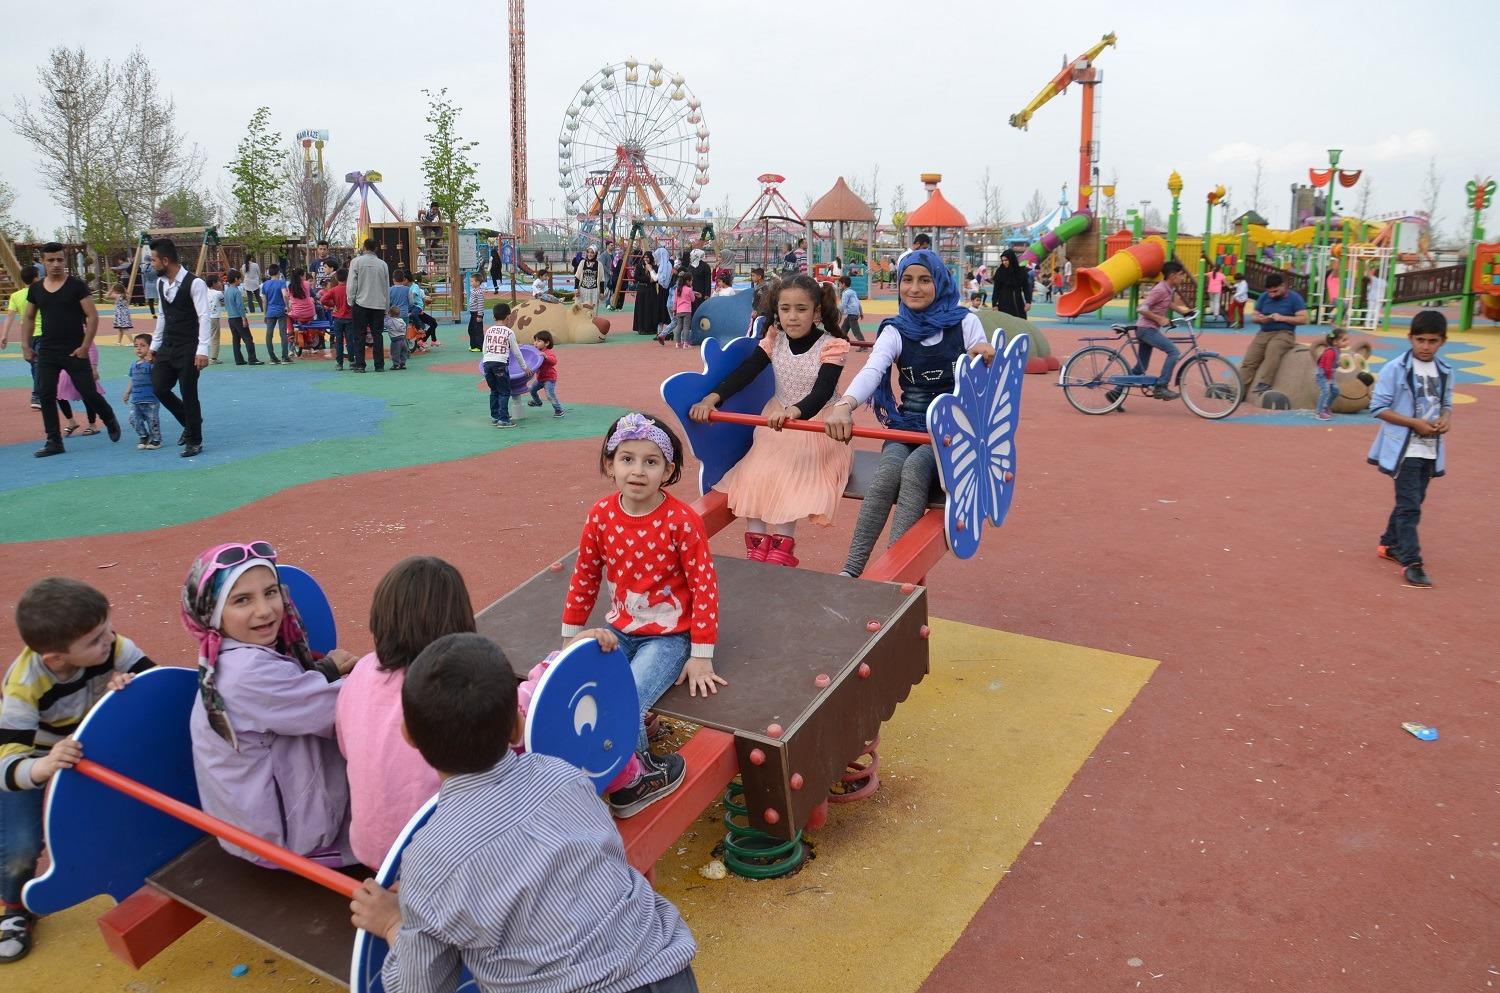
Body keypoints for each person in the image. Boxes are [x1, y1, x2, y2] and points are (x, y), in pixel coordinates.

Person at [347, 633, 699, 993]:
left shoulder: (430, 857)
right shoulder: (564, 775)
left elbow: (419, 986)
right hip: (665, 969)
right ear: (517, 726)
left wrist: (393, 924)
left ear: (408, 735)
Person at [562, 412, 719, 817]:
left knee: (627, 694)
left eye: (651, 462)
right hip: (618, 628)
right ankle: (603, 757)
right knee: (579, 684)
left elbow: (703, 586)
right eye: (627, 459)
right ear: (609, 464)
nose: (637, 471)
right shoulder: (601, 514)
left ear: (668, 471)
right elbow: (585, 574)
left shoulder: (681, 521)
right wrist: (571, 636)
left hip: (668, 636)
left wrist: (701, 654)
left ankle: (638, 779)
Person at [1, 577, 155, 963]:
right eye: (95, 639)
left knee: (121, 800)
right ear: (57, 659)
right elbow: (6, 767)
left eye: (107, 628)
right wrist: (43, 766)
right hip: (32, 754)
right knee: (21, 845)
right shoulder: (24, 686)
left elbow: (156, 685)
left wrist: (131, 685)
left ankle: (140, 860)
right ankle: (14, 908)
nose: (110, 640)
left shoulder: (113, 647)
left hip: (83, 741)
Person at [182, 541, 360, 867]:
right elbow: (345, 711)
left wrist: (326, 672)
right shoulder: (246, 672)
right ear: (213, 613)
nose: (264, 610)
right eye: (242, 600)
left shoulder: (228, 657)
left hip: (249, 823)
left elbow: (289, 695)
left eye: (271, 592)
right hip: (279, 840)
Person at [825, 249, 995, 578]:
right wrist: (845, 404)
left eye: (924, 280)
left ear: (940, 283)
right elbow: (873, 369)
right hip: (908, 424)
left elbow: (983, 383)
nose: (914, 288)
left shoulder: (965, 323)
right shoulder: (896, 329)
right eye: (907, 280)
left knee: (916, 468)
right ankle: (851, 569)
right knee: (887, 474)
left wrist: (984, 356)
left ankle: (894, 569)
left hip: (951, 430)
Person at [689, 274, 853, 566]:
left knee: (789, 474)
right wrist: (713, 398)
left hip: (817, 425)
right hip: (777, 420)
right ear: (777, 311)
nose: (792, 316)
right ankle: (756, 543)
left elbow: (823, 390)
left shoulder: (832, 345)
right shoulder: (775, 339)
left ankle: (782, 545)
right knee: (753, 472)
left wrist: (794, 412)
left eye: (801, 309)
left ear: (816, 312)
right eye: (785, 309)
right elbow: (747, 370)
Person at [334, 557, 476, 870]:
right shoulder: (455, 688)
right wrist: (551, 665)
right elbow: (509, 733)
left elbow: (345, 746)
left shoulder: (362, 670)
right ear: (460, 620)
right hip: (435, 861)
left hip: (371, 852)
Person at [1369, 311, 1453, 589]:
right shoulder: (1395, 368)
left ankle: (1389, 543)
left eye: (1432, 341)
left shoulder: (1445, 371)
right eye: (1420, 340)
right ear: (1410, 338)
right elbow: (1378, 407)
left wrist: (1446, 418)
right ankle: (1411, 562)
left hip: (1430, 448)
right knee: (1410, 506)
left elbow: (1446, 403)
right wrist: (1414, 423)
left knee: (1415, 499)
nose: (1426, 346)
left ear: (1442, 341)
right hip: (1404, 449)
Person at [21, 243, 121, 458]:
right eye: (50, 260)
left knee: (88, 392)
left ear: (64, 260)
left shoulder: (76, 286)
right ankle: (54, 441)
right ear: (43, 262)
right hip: (47, 350)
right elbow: (28, 317)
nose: (56, 264)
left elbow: (92, 316)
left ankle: (108, 416)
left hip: (75, 350)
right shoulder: (36, 289)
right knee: (46, 393)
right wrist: (25, 345)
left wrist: (85, 346)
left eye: (59, 259)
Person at [147, 238, 212, 458]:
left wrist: (202, 350)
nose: (151, 264)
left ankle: (195, 440)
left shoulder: (195, 283)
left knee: (188, 392)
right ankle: (189, 421)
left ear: (165, 260)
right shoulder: (161, 283)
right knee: (159, 387)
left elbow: (204, 317)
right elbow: (162, 315)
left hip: (189, 346)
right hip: (168, 345)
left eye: (153, 260)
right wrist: (154, 346)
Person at [1239, 274, 1308, 396]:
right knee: (1250, 358)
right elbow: (1254, 315)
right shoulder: (1264, 297)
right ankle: (1239, 388)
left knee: (1273, 349)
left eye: (1275, 291)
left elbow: (1303, 319)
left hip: (1284, 333)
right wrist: (1260, 319)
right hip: (1264, 332)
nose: (1272, 294)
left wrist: (1282, 318)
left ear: (1283, 286)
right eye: (1269, 292)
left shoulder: (1294, 298)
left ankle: (1265, 383)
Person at [1133, 260, 1193, 401]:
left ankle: (1115, 393)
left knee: (1141, 368)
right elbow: (1141, 308)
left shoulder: (1167, 289)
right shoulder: (1160, 289)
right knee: (1173, 352)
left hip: (1146, 329)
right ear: (1172, 276)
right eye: (1181, 275)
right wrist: (1159, 319)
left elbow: (1167, 303)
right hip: (1146, 329)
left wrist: (1183, 312)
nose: (1182, 278)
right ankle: (1161, 387)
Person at [1, 265, 44, 409]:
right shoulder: (42, 292)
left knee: (35, 365)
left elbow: (9, 317)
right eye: (39, 275)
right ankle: (37, 396)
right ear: (36, 277)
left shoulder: (16, 296)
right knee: (39, 365)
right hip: (42, 333)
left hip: (27, 336)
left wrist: (4, 335)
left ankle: (41, 393)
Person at [347, 238, 391, 373]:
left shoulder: (356, 262)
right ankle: (379, 365)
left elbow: (352, 284)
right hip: (378, 304)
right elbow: (386, 286)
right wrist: (386, 306)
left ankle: (360, 364)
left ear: (364, 247)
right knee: (377, 335)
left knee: (359, 335)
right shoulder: (383, 264)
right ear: (376, 248)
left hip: (361, 303)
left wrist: (351, 300)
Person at [53, 341, 103, 436]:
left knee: (87, 395)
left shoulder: (82, 333)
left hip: (81, 367)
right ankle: (71, 422)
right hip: (65, 367)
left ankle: (92, 424)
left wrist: (93, 368)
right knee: (58, 394)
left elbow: (92, 349)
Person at [481, 303, 518, 428]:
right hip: (500, 364)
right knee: (504, 392)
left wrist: (486, 361)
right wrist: (524, 367)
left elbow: (484, 349)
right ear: (508, 317)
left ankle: (495, 416)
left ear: (493, 317)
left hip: (487, 363)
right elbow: (516, 352)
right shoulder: (509, 332)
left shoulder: (489, 330)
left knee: (494, 390)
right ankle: (504, 419)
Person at [123, 333, 162, 449]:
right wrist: (127, 392)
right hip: (136, 399)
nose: (138, 348)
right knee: (133, 419)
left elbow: (158, 375)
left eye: (143, 345)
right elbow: (132, 380)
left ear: (150, 348)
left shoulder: (151, 364)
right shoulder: (134, 365)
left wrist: (152, 360)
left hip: (150, 399)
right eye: (136, 346)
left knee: (152, 421)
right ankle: (144, 435)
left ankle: (156, 440)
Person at [223, 269, 260, 366]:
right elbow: (240, 306)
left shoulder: (227, 291)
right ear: (236, 279)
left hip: (230, 318)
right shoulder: (236, 291)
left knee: (236, 340)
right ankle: (252, 359)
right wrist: (244, 318)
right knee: (248, 338)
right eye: (240, 279)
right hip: (238, 317)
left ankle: (238, 359)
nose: (241, 281)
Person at [526, 329, 564, 417]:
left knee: (550, 395)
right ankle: (538, 402)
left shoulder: (548, 352)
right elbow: (528, 353)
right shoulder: (536, 352)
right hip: (540, 379)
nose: (535, 343)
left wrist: (546, 357)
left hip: (549, 378)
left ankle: (559, 410)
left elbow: (554, 361)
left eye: (539, 341)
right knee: (531, 389)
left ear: (546, 343)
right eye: (535, 340)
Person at [1314, 328, 1348, 421]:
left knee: (1335, 391)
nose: (1347, 342)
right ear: (1335, 342)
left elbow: (1333, 364)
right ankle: (1319, 412)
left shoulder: (1337, 350)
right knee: (1325, 391)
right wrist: (1329, 378)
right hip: (1323, 374)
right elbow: (1327, 366)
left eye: (1347, 340)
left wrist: (1339, 364)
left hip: (1329, 374)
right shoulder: (1330, 351)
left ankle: (1326, 407)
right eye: (1344, 340)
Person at [320, 268, 350, 369]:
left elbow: (323, 300)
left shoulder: (334, 290)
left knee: (339, 340)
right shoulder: (350, 289)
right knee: (350, 340)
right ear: (348, 278)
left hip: (337, 318)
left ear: (336, 278)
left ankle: (339, 363)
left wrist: (333, 305)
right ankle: (352, 361)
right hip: (350, 317)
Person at [261, 264, 289, 365]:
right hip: (281, 310)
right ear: (278, 272)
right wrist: (287, 306)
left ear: (269, 273)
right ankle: (285, 357)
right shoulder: (281, 283)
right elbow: (285, 295)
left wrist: (265, 313)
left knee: (269, 334)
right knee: (283, 334)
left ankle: (272, 358)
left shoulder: (265, 284)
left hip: (270, 312)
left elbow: (264, 300)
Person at [284, 268, 315, 357]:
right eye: (304, 275)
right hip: (310, 312)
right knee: (307, 322)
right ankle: (309, 341)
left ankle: (291, 335)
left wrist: (288, 307)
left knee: (288, 316)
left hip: (298, 314)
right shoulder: (307, 284)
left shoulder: (290, 286)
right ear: (301, 276)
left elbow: (287, 296)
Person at [633, 245, 663, 336]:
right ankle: (641, 328)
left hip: (651, 290)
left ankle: (651, 328)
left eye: (648, 257)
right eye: (644, 257)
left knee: (651, 308)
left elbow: (656, 278)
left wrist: (650, 272)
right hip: (642, 290)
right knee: (641, 308)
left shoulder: (654, 267)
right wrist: (647, 278)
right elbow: (636, 277)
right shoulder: (639, 266)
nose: (646, 259)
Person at [992, 248, 1029, 318]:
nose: (1004, 262)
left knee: (1019, 322)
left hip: (1017, 303)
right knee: (1005, 322)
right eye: (1002, 260)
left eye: (1006, 260)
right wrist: (994, 304)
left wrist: (1028, 301)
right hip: (1003, 303)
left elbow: (1026, 288)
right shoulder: (1000, 272)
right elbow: (996, 289)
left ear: (1012, 259)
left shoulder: (1020, 272)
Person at [665, 270, 696, 348]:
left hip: (679, 311)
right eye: (691, 280)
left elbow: (675, 301)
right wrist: (692, 290)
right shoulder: (689, 289)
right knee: (686, 327)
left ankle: (678, 343)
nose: (692, 282)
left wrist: (674, 310)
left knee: (679, 326)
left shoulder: (678, 289)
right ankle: (685, 343)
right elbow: (693, 299)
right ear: (687, 281)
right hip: (687, 311)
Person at [407, 274, 438, 343]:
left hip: (413, 310)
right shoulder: (419, 290)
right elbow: (423, 301)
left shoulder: (410, 288)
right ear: (420, 282)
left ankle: (433, 340)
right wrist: (422, 308)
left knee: (432, 322)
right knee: (433, 323)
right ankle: (424, 340)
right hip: (418, 311)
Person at [204, 274, 225, 364]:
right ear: (214, 283)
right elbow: (224, 302)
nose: (220, 283)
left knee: (204, 337)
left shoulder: (204, 292)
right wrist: (221, 290)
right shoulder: (218, 293)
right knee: (215, 337)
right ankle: (213, 358)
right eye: (218, 281)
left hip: (205, 317)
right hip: (214, 317)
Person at [838, 274, 865, 341]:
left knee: (856, 331)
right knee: (843, 329)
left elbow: (843, 305)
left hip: (851, 314)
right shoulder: (853, 292)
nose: (839, 285)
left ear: (843, 284)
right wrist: (861, 312)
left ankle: (863, 344)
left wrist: (839, 314)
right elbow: (858, 303)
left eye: (840, 284)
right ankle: (842, 342)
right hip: (853, 313)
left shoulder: (845, 293)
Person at [466, 271, 486, 352]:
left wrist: (479, 316)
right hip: (473, 314)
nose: (471, 283)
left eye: (472, 281)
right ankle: (473, 345)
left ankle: (479, 346)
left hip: (477, 314)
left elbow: (481, 304)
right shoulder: (474, 290)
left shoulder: (479, 292)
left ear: (477, 283)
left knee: (478, 331)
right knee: (471, 329)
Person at [384, 306, 409, 371]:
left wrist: (386, 317)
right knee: (403, 351)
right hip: (403, 338)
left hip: (395, 339)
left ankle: (396, 364)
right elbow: (405, 327)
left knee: (395, 352)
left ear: (390, 314)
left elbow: (385, 325)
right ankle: (403, 363)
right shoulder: (401, 320)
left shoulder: (390, 321)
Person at [140, 254, 158, 319]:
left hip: (148, 284)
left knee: (150, 300)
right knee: (160, 299)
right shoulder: (154, 266)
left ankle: (153, 313)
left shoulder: (143, 268)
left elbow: (143, 279)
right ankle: (161, 312)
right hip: (156, 283)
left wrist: (143, 286)